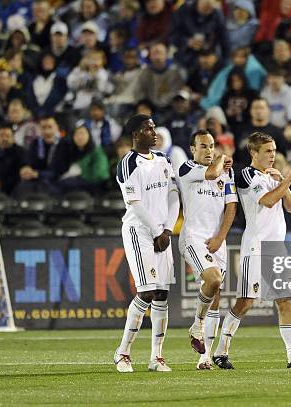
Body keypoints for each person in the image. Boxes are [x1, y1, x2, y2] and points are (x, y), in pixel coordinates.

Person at [212, 132, 291, 370]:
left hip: (277, 247)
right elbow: (266, 201)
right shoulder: (247, 174)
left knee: (285, 301)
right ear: (253, 153)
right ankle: (221, 351)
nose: (272, 155)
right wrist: (288, 180)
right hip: (256, 246)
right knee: (245, 302)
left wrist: (282, 182)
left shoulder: (273, 176)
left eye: (274, 150)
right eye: (267, 151)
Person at [113, 114, 180, 373]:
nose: (154, 132)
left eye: (153, 128)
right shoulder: (128, 164)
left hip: (163, 233)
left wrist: (167, 230)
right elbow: (135, 204)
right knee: (147, 292)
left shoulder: (163, 159)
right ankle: (122, 353)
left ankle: (156, 358)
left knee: (162, 295)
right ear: (135, 134)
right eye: (148, 129)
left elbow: (174, 195)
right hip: (139, 231)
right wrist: (156, 231)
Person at [177, 130, 237, 370]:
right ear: (193, 149)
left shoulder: (227, 173)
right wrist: (223, 158)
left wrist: (221, 237)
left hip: (216, 241)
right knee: (212, 280)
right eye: (203, 146)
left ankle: (205, 358)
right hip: (194, 238)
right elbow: (212, 172)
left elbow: (231, 207)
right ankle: (196, 325)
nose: (209, 151)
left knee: (215, 296)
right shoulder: (186, 169)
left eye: (212, 146)